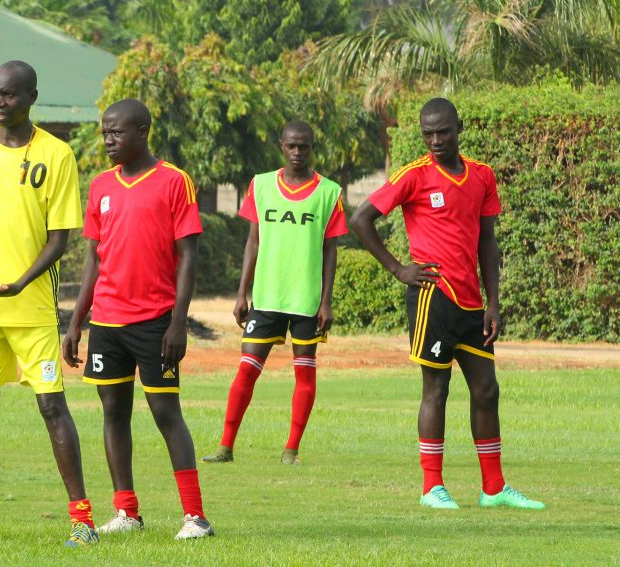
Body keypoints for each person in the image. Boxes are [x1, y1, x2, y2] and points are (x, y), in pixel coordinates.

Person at [349, 98, 544, 510]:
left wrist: (494, 302)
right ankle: (431, 487)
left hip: (473, 304)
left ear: (459, 127)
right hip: (432, 298)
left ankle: (493, 488)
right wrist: (399, 269)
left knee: (487, 390)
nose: (436, 140)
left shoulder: (482, 177)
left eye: (443, 132)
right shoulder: (414, 176)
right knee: (436, 389)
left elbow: (487, 243)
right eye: (428, 133)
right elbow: (360, 218)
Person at [0, 60, 99, 546]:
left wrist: (18, 283)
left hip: (30, 313)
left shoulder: (57, 155)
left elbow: (60, 239)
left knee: (52, 408)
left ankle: (82, 521)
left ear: (31, 96)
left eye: (8, 95)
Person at [61, 99, 214, 540]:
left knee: (166, 412)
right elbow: (93, 259)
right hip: (107, 322)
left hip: (155, 322)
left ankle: (195, 516)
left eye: (117, 132)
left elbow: (189, 256)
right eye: (105, 132)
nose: (108, 140)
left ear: (143, 131)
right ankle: (127, 511)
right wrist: (76, 323)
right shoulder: (101, 186)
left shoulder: (174, 182)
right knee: (113, 413)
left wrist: (178, 321)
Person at [201, 121, 347, 466]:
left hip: (306, 299)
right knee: (247, 370)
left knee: (305, 373)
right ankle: (225, 447)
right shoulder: (261, 185)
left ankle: (291, 450)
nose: (298, 152)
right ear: (281, 145)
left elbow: (330, 251)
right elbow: (252, 242)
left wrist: (326, 301)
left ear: (313, 147)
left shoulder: (329, 192)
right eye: (292, 146)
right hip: (266, 297)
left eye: (304, 147)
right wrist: (241, 293)